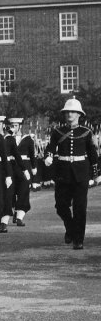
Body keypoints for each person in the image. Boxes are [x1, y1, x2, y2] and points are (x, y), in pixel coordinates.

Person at [44, 98, 100, 249]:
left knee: (80, 207)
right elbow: (51, 146)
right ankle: (70, 228)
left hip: (81, 173)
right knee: (61, 206)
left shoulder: (87, 132)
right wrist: (48, 156)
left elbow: (92, 153)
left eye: (73, 111)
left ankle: (78, 239)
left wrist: (96, 173)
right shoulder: (58, 131)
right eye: (67, 111)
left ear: (79, 114)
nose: (70, 114)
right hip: (63, 173)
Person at [7, 118, 35, 226]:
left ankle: (19, 217)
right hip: (12, 166)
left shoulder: (28, 139)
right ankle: (13, 211)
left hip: (25, 167)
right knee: (11, 191)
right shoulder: (8, 139)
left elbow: (32, 155)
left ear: (20, 126)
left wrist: (34, 167)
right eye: (12, 125)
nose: (13, 127)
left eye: (15, 125)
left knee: (23, 191)